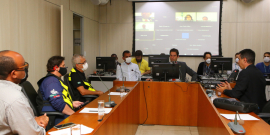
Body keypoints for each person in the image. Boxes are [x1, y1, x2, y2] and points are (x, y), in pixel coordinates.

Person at [0, 50, 48, 134]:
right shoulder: (15, 98)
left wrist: (32, 121)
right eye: (23, 67)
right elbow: (31, 133)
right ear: (14, 73)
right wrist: (42, 123)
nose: (25, 69)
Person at [36, 56, 83, 125]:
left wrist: (71, 103)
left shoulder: (55, 80)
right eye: (63, 65)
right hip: (56, 117)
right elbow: (58, 103)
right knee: (83, 121)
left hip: (60, 113)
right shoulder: (51, 81)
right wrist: (74, 115)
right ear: (56, 68)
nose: (65, 68)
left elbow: (60, 98)